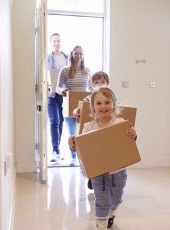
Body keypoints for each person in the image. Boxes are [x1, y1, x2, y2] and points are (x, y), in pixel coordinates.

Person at [68, 87, 137, 230]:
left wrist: (133, 135)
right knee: (102, 200)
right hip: (98, 173)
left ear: (114, 105)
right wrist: (72, 145)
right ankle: (101, 224)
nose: (103, 106)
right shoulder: (88, 127)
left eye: (107, 102)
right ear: (93, 107)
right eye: (98, 103)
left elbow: (130, 142)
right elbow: (80, 149)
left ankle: (112, 213)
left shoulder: (120, 123)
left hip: (118, 171)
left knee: (116, 199)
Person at [72, 71, 110, 190]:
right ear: (92, 85)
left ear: (108, 84)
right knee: (93, 156)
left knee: (106, 156)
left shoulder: (111, 98)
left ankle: (106, 179)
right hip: (92, 132)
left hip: (106, 133)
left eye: (103, 82)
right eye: (96, 83)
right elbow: (78, 108)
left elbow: (120, 109)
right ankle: (93, 178)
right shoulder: (89, 98)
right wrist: (76, 112)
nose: (100, 85)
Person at [57, 45, 92, 162]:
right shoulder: (65, 70)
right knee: (72, 134)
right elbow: (58, 87)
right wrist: (62, 91)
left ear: (83, 56)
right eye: (76, 53)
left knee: (83, 133)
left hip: (84, 107)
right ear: (72, 54)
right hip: (70, 107)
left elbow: (91, 88)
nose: (78, 56)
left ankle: (81, 159)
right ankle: (73, 157)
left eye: (81, 54)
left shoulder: (87, 71)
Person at [47, 33, 68, 162]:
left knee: (61, 121)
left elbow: (69, 75)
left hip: (64, 94)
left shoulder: (66, 57)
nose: (56, 43)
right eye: (54, 41)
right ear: (51, 42)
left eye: (58, 41)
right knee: (54, 120)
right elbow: (43, 73)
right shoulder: (47, 57)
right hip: (51, 94)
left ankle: (58, 148)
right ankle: (55, 150)